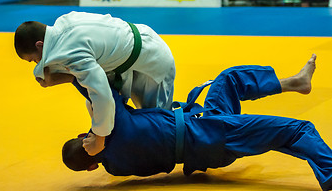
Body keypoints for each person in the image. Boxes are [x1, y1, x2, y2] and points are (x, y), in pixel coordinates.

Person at [62, 54, 332, 191]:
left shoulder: (115, 169)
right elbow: (96, 87)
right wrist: (65, 71)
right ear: (82, 135)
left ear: (91, 167)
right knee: (299, 130)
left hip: (204, 135)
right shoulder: (113, 127)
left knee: (228, 81)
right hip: (211, 134)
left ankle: (294, 83)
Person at [14, 11, 175, 156]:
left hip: (152, 62)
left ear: (39, 45)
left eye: (34, 59)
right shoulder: (64, 22)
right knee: (92, 105)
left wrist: (99, 141)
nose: (38, 62)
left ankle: (183, 146)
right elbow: (80, 64)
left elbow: (102, 95)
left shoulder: (68, 51)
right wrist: (56, 79)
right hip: (134, 50)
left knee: (158, 125)